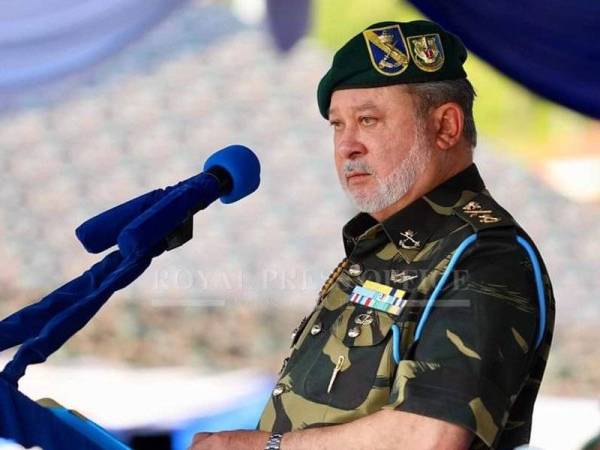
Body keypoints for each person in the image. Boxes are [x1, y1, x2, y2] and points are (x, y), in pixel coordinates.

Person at [189, 19, 555, 450]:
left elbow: (430, 436)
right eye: (337, 125)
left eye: (368, 119)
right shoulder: (383, 247)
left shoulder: (486, 255)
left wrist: (261, 447)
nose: (348, 145)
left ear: (445, 128)